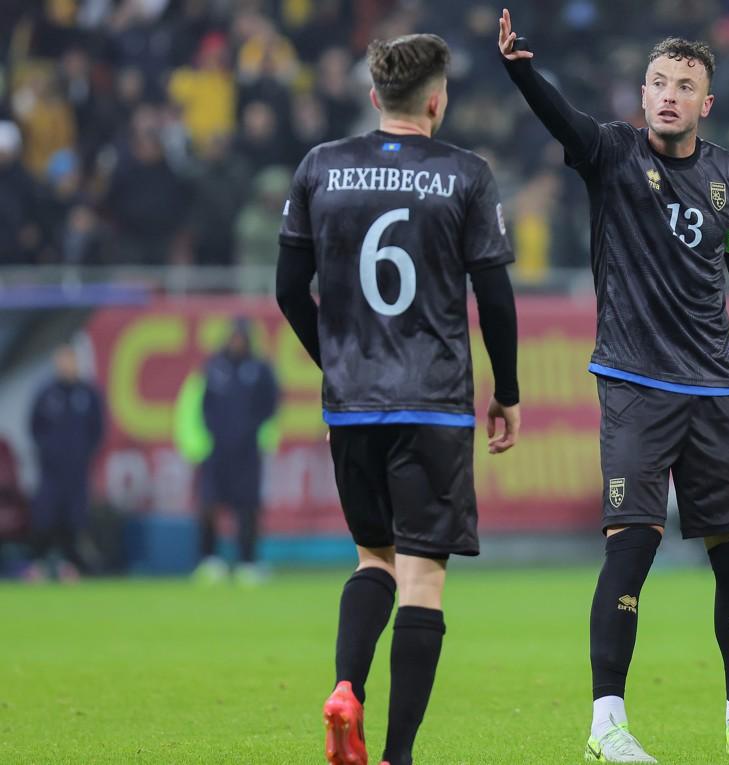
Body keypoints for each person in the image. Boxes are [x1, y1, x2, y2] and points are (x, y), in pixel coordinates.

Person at [499, 11, 729, 762]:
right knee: (629, 549)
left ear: (708, 104)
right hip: (635, 384)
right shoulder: (610, 153)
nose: (669, 95)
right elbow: (561, 119)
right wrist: (522, 72)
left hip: (715, 392)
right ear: (642, 94)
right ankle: (608, 724)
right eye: (660, 83)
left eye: (685, 86)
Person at [275, 33, 521, 765]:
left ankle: (347, 685)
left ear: (376, 96)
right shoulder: (466, 174)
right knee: (422, 575)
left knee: (371, 558)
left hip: (352, 403)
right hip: (435, 403)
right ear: (437, 100)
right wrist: (506, 389)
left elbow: (290, 291)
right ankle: (398, 755)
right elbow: (496, 300)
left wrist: (337, 365)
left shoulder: (320, 166)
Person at [193, 318, 279, 586]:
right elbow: (202, 403)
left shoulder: (260, 369)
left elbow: (271, 404)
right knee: (209, 504)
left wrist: (251, 430)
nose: (237, 342)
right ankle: (209, 560)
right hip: (216, 450)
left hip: (247, 451)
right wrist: (209, 434)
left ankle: (247, 562)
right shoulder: (214, 368)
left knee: (248, 507)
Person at [27, 344, 104, 581]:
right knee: (45, 516)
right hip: (51, 470)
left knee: (74, 518)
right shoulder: (47, 393)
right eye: (61, 360)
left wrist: (83, 453)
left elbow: (97, 429)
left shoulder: (88, 394)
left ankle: (69, 567)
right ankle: (39, 565)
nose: (65, 365)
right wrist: (47, 451)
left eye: (69, 360)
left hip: (76, 470)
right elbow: (34, 426)